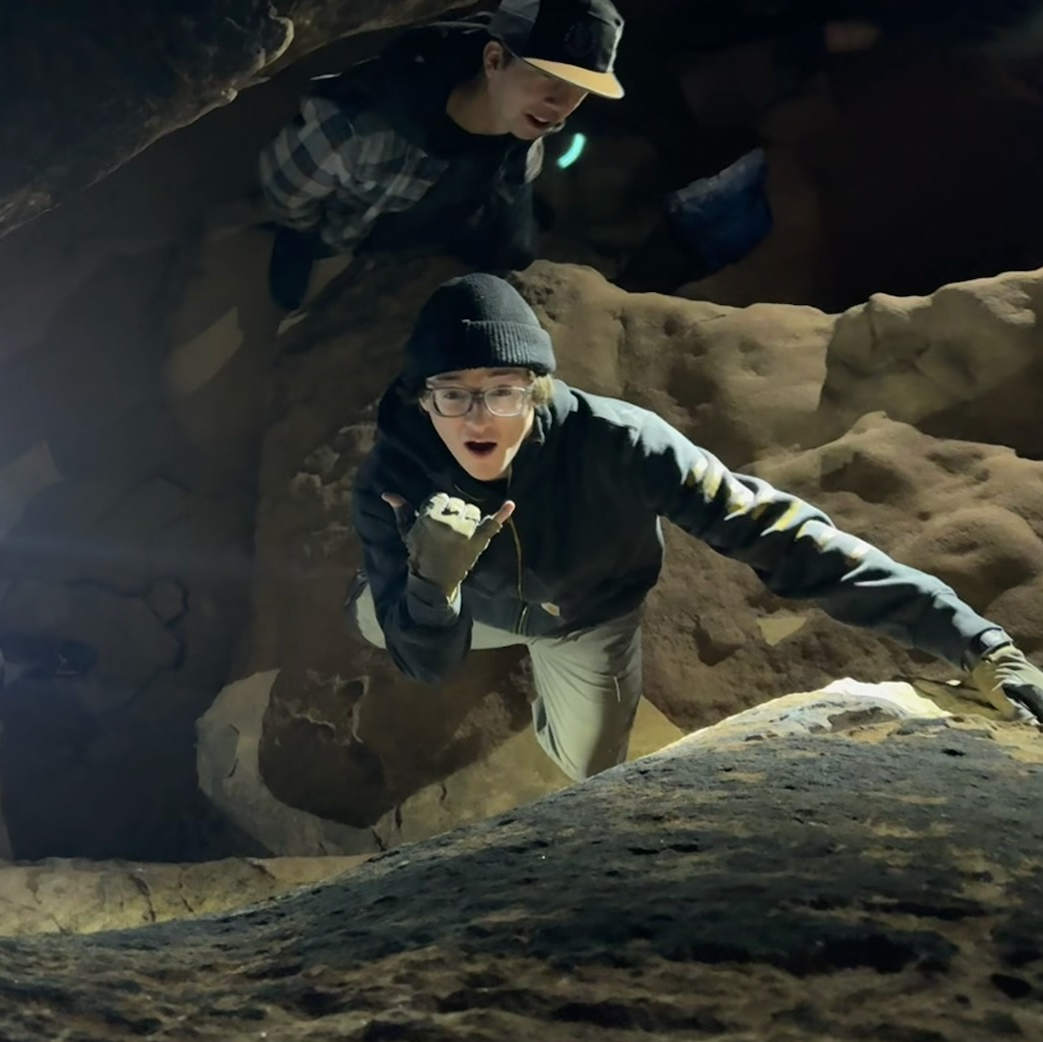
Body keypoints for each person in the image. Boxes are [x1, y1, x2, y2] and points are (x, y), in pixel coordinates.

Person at [346, 273, 1043, 780]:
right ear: (421, 400)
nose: (478, 417)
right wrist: (431, 585)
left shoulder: (620, 443)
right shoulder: (393, 483)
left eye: (503, 390)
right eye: (453, 394)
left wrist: (974, 642)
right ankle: (402, 599)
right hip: (476, 604)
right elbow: (428, 666)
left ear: (539, 387)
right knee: (382, 618)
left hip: (584, 615)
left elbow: (779, 533)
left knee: (591, 775)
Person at [258, 0, 625, 312]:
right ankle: (299, 246)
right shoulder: (356, 127)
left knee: (517, 250)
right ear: (494, 60)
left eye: (579, 90)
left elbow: (523, 166)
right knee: (316, 238)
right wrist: (304, 231)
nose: (561, 104)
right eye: (547, 77)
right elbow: (287, 192)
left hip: (474, 192)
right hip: (385, 209)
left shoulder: (525, 119)